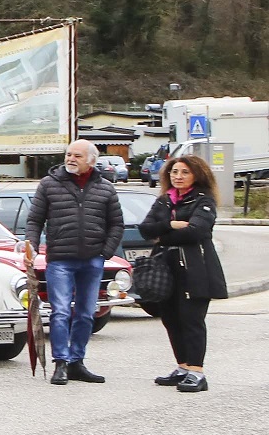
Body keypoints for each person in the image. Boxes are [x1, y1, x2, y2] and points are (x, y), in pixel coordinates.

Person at [24, 138, 126, 385]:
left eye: (77, 156)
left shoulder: (105, 188)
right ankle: (61, 363)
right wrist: (31, 246)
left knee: (85, 314)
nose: (71, 159)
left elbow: (116, 224)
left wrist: (105, 252)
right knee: (60, 312)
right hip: (60, 260)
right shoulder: (49, 185)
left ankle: (76, 361)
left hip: (92, 261)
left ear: (91, 160)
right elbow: (34, 220)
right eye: (68, 154)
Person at [138, 153, 226, 392]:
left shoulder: (204, 200)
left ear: (197, 175)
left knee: (191, 319)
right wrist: (171, 225)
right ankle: (183, 366)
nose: (178, 176)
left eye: (185, 172)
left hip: (194, 269)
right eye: (175, 172)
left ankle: (197, 372)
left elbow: (196, 232)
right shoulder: (164, 200)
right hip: (166, 269)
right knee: (170, 318)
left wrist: (163, 233)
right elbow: (145, 229)